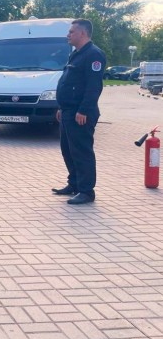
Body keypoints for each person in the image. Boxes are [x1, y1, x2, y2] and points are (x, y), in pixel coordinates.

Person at [53, 18, 105, 205]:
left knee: (82, 152)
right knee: (68, 150)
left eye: (71, 32)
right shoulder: (76, 54)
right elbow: (70, 82)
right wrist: (62, 107)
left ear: (82, 33)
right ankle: (74, 184)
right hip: (68, 111)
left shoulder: (93, 54)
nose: (68, 35)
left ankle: (86, 191)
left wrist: (83, 110)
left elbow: (93, 86)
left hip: (81, 113)